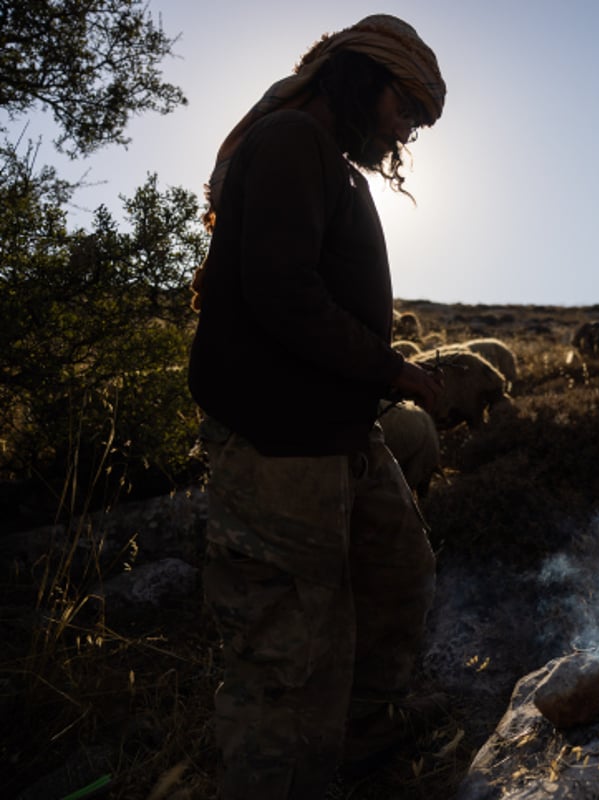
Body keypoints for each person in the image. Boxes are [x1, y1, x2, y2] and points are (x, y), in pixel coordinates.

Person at [187, 15, 448, 798]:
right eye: (404, 110)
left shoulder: (330, 164)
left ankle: (360, 737)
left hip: (336, 435)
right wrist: (391, 368)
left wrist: (374, 381)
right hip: (278, 444)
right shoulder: (291, 143)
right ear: (363, 80)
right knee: (290, 653)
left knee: (398, 577)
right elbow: (282, 292)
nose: (403, 132)